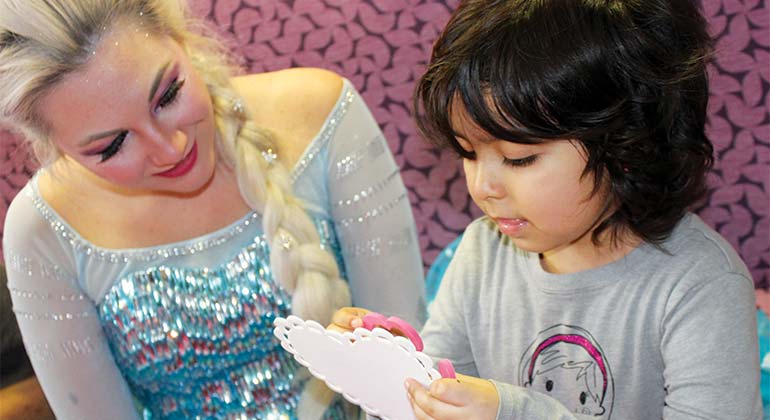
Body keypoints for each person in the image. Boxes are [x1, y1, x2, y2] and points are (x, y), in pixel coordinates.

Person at [332, 0, 763, 418]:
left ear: (629, 144)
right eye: (468, 154)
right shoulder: (484, 252)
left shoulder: (699, 286)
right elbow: (436, 396)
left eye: (519, 159)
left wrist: (512, 413)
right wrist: (393, 373)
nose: (483, 187)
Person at [0, 0, 426, 419]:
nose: (171, 149)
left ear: (181, 39)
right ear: (56, 151)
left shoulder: (321, 114)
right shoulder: (41, 231)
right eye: (111, 146)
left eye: (169, 95)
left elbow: (408, 375)